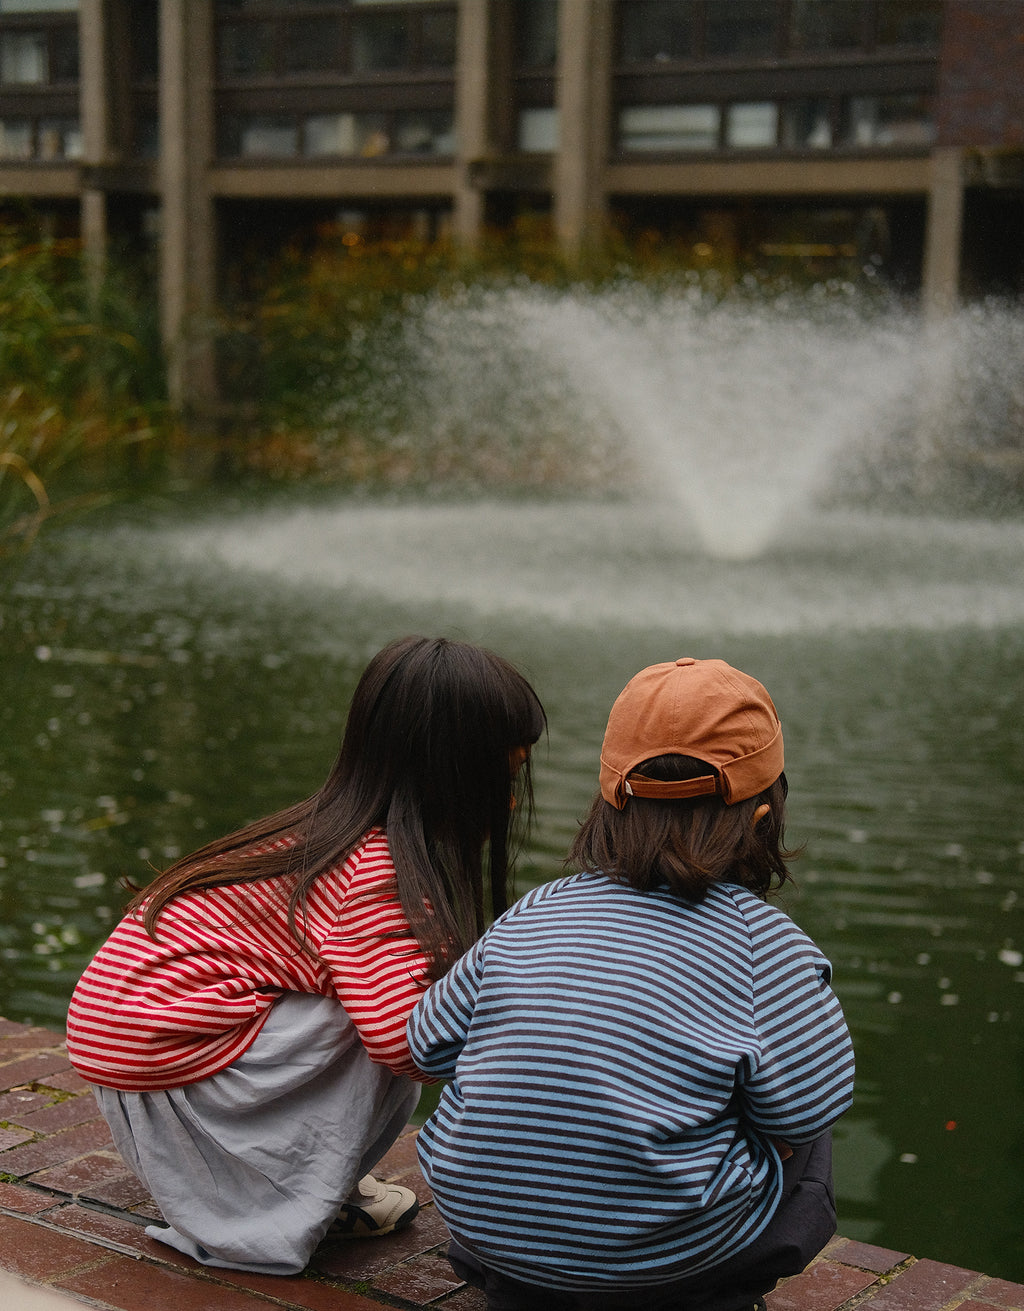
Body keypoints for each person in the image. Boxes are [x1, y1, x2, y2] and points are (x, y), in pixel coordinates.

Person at [66, 635, 546, 1276]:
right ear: (449, 773)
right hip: (171, 1067)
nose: (511, 802)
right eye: (504, 779)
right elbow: (406, 1047)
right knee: (399, 1017)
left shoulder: (327, 833)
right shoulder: (375, 873)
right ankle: (266, 1215)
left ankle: (298, 1189)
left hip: (140, 1055)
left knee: (385, 993)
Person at [407, 656, 855, 1311]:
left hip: (491, 1242)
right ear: (763, 814)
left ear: (610, 801)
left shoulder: (540, 907)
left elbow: (427, 1045)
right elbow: (804, 1112)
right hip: (664, 1272)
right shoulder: (766, 944)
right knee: (810, 1112)